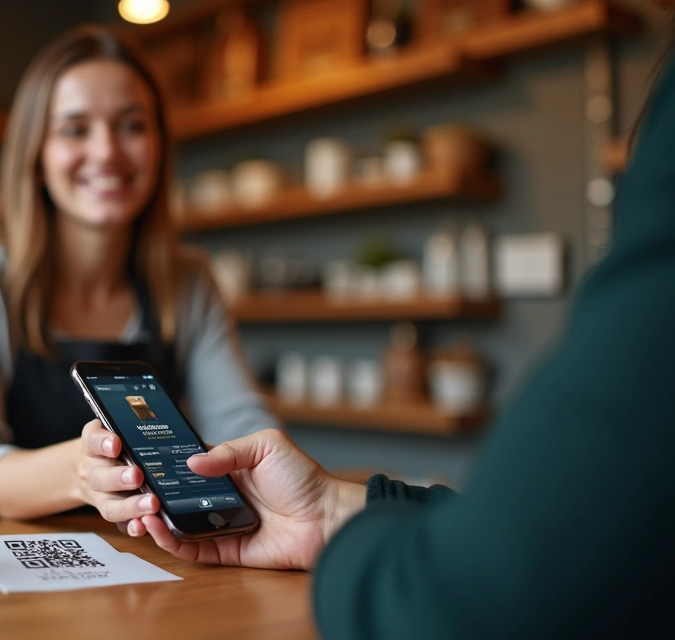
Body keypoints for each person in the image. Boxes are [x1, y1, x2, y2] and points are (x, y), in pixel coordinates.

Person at [137, 38, 675, 639]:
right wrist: (333, 509)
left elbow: (472, 599)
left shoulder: (188, 280)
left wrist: (347, 540)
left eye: (133, 125)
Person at [0, 26, 277, 525]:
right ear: (37, 157)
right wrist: (80, 473)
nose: (107, 151)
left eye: (131, 125)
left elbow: (246, 432)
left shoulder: (188, 281)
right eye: (74, 128)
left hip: (152, 568)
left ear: (158, 148)